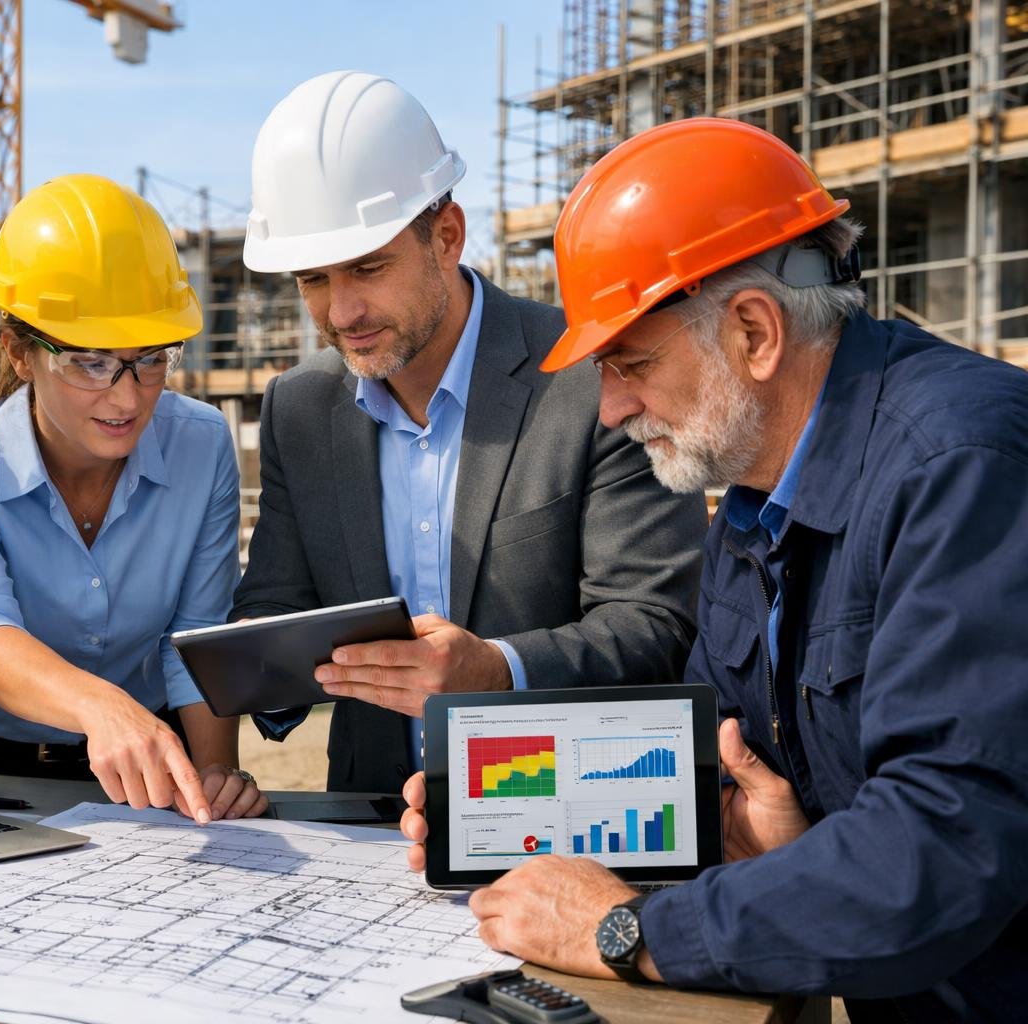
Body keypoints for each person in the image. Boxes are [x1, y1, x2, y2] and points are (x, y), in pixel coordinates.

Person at [398, 117, 1028, 1022]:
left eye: (633, 362)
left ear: (755, 333)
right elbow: (705, 757)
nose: (610, 409)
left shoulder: (964, 470)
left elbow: (940, 851)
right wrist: (501, 807)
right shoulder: (753, 500)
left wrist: (624, 929)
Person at [232, 71, 705, 792]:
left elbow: (656, 625)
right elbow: (276, 604)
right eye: (313, 280)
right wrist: (263, 669)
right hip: (372, 824)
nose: (342, 311)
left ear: (446, 236)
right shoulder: (299, 411)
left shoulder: (586, 379)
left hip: (554, 810)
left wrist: (496, 670)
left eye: (368, 266)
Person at [0, 174, 266, 825]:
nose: (127, 398)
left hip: (146, 754)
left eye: (151, 358)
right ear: (20, 352)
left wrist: (214, 775)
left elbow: (196, 637)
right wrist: (99, 705)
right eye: (91, 363)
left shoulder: (201, 443)